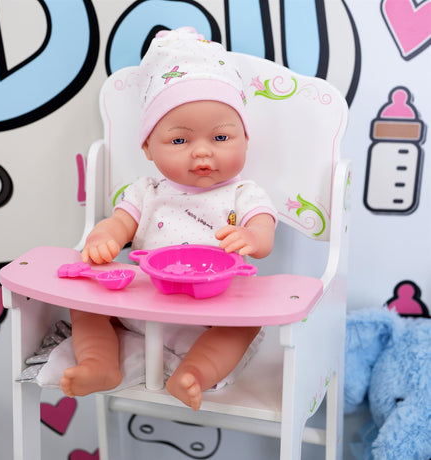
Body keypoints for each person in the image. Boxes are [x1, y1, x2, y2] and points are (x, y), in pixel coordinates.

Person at [61, 27, 277, 411]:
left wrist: (252, 237)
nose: (201, 153)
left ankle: (193, 372)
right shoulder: (146, 192)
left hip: (213, 313)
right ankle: (100, 364)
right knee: (86, 306)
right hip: (143, 306)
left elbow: (263, 230)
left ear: (245, 138)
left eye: (221, 138)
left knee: (247, 325)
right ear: (147, 147)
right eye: (179, 141)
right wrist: (103, 238)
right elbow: (119, 224)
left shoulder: (241, 193)